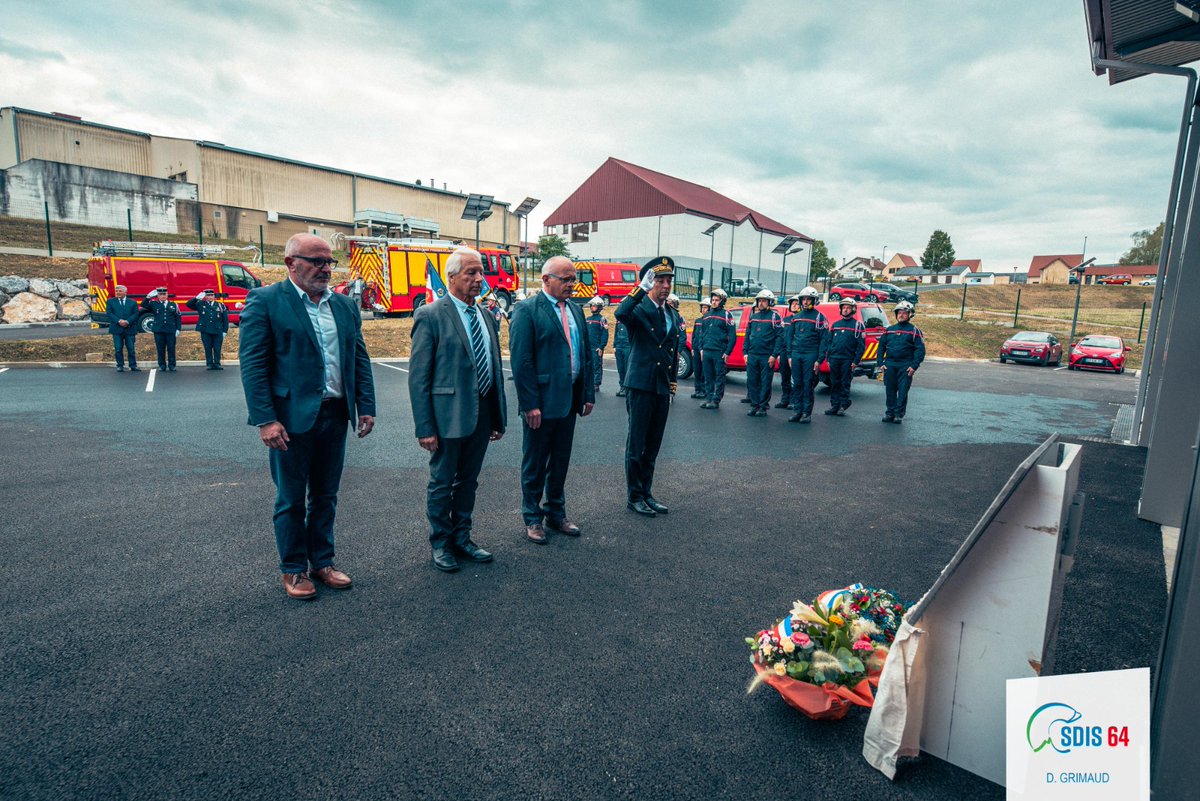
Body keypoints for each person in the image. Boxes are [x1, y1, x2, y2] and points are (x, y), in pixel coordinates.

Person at [239, 233, 376, 600]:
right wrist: (266, 420)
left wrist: (366, 405)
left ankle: (322, 562)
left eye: (329, 261)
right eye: (317, 261)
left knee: (326, 495)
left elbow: (358, 357)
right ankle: (293, 569)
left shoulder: (344, 306)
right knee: (291, 499)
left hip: (335, 415)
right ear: (291, 263)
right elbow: (253, 366)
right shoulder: (266, 300)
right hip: (289, 421)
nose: (325, 268)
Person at [409, 247, 507, 572]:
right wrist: (425, 427)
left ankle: (462, 539)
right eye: (471, 273)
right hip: (447, 418)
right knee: (442, 483)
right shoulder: (430, 315)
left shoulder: (486, 315)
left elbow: (492, 366)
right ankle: (441, 543)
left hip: (482, 415)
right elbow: (419, 377)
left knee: (468, 481)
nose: (479, 279)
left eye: (481, 272)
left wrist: (497, 416)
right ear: (451, 277)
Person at [509, 256, 595, 544]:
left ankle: (556, 513)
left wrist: (587, 394)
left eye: (574, 279)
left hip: (569, 400)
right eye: (566, 279)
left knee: (560, 461)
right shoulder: (527, 310)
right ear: (546, 279)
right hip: (541, 404)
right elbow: (522, 361)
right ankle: (532, 517)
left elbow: (585, 354)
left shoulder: (576, 310)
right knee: (535, 463)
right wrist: (530, 404)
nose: (572, 285)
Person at [616, 257, 679, 517]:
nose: (665, 286)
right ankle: (634, 496)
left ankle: (647, 492)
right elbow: (620, 313)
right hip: (640, 385)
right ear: (650, 283)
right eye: (660, 281)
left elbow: (673, 350)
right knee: (637, 444)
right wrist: (640, 289)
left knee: (652, 445)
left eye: (668, 281)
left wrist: (672, 383)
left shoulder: (672, 313)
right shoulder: (639, 309)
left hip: (661, 386)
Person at [786, 287, 831, 424]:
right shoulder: (796, 318)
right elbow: (789, 337)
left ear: (814, 300)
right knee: (797, 384)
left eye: (808, 299)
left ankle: (806, 413)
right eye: (803, 299)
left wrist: (819, 360)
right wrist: (789, 356)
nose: (805, 302)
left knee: (807, 384)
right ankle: (797, 411)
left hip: (811, 355)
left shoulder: (820, 318)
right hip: (796, 354)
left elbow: (824, 341)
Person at [878, 300, 926, 423]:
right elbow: (881, 347)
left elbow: (920, 351)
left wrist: (914, 366)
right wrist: (880, 363)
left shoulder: (915, 331)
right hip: (890, 365)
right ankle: (890, 413)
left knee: (903, 391)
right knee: (890, 390)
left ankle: (898, 414)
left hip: (905, 366)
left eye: (904, 313)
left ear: (910, 314)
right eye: (899, 312)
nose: (901, 315)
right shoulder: (889, 330)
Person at [743, 289, 784, 416]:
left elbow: (780, 337)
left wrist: (774, 355)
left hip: (767, 356)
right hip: (753, 355)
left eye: (764, 301)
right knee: (752, 381)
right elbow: (747, 335)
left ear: (770, 302)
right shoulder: (753, 317)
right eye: (759, 301)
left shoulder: (775, 317)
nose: (761, 303)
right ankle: (754, 405)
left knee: (765, 382)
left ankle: (763, 407)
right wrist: (745, 352)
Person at [824, 297, 866, 417]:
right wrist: (828, 358)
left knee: (844, 383)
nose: (845, 310)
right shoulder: (835, 325)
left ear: (853, 310)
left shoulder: (858, 326)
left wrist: (856, 361)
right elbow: (829, 343)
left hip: (848, 360)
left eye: (848, 308)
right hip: (834, 359)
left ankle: (843, 405)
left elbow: (861, 346)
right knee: (834, 383)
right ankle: (834, 406)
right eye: (843, 308)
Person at [696, 288, 735, 409]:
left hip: (719, 352)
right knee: (708, 377)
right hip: (707, 351)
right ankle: (709, 398)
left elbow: (733, 336)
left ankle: (716, 400)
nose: (713, 302)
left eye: (716, 300)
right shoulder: (707, 315)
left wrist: (727, 352)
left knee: (719, 377)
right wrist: (701, 349)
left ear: (722, 301)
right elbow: (702, 334)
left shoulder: (727, 315)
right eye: (712, 300)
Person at [186, 289, 229, 370]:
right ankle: (209, 364)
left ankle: (217, 363)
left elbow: (225, 319)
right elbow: (188, 304)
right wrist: (196, 298)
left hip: (217, 330)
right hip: (205, 330)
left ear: (214, 296)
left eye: (211, 295)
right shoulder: (200, 304)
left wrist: (225, 330)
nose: (210, 297)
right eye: (208, 296)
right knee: (207, 348)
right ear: (205, 297)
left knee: (217, 348)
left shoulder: (220, 305)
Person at [141, 287, 181, 371]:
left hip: (170, 330)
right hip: (158, 330)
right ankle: (162, 365)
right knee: (160, 348)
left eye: (164, 294)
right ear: (158, 296)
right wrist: (148, 297)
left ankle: (172, 365)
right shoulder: (153, 304)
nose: (163, 296)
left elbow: (177, 317)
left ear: (167, 295)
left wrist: (178, 329)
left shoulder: (174, 304)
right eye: (160, 294)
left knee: (171, 348)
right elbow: (143, 305)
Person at [105, 284, 140, 372]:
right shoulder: (110, 302)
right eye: (117, 291)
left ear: (125, 292)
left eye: (120, 291)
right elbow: (109, 313)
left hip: (130, 328)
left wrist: (127, 321)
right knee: (118, 349)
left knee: (131, 349)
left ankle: (133, 365)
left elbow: (136, 314)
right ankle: (120, 365)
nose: (118, 293)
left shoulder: (132, 302)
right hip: (116, 329)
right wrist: (119, 321)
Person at [775, 295, 800, 409]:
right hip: (784, 351)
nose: (794, 305)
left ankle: (794, 400)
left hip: (796, 351)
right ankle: (785, 399)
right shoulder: (785, 320)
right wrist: (779, 353)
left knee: (796, 378)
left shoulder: (801, 319)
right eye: (792, 304)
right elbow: (780, 337)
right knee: (785, 377)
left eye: (797, 303)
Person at [585, 296, 609, 392]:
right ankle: (589, 383)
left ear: (599, 307)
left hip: (596, 348)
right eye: (591, 306)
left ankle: (596, 384)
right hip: (588, 347)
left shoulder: (602, 319)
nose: (592, 307)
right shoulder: (587, 319)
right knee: (588, 366)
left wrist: (601, 347)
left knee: (596, 366)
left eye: (594, 306)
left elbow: (605, 334)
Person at [689, 298, 710, 399]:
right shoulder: (697, 321)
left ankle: (704, 390)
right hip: (696, 350)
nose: (703, 309)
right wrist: (693, 348)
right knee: (696, 370)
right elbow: (694, 335)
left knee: (704, 372)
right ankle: (697, 390)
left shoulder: (710, 321)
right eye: (702, 307)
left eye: (705, 307)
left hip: (704, 350)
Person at [613, 318, 630, 397]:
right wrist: (614, 345)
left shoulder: (630, 319)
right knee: (620, 369)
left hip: (627, 346)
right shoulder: (618, 320)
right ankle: (622, 387)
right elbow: (616, 333)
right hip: (619, 346)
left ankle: (627, 388)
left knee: (627, 368)